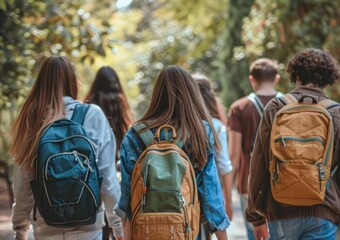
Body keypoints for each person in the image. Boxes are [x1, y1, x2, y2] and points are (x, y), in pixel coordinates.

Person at [246, 48, 340, 240]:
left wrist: (255, 217)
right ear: (328, 78)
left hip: (279, 209)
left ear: (295, 74)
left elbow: (259, 164)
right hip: (323, 210)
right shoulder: (336, 112)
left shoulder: (275, 108)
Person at [9, 56, 124, 240]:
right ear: (72, 81)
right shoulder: (92, 115)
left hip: (47, 227)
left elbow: (23, 182)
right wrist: (118, 226)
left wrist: (20, 230)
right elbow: (107, 178)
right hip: (88, 227)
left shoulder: (32, 118)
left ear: (41, 82)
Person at [115, 65, 230, 239]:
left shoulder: (135, 135)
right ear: (191, 94)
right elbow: (210, 193)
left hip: (146, 232)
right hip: (187, 231)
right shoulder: (201, 132)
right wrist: (222, 236)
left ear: (157, 94)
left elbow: (127, 197)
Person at [227, 58, 281, 239]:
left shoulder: (239, 108)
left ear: (252, 79)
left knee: (255, 234)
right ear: (277, 78)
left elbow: (233, 153)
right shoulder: (289, 105)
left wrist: (228, 189)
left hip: (249, 184)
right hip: (284, 182)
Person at [85, 66, 134, 240]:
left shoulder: (89, 104)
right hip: (118, 170)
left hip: (93, 172)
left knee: (100, 220)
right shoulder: (120, 102)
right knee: (117, 219)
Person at [193, 74, 233, 221]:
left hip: (184, 192)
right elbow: (224, 165)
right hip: (210, 192)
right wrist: (228, 202)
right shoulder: (215, 125)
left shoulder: (178, 125)